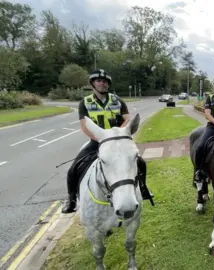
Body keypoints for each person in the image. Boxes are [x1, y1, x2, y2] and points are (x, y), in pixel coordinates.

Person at [61, 69, 154, 214]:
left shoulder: (118, 101)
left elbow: (127, 120)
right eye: (98, 81)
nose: (102, 83)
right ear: (93, 83)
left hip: (118, 142)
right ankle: (71, 199)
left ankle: (143, 189)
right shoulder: (85, 103)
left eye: (104, 81)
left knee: (140, 162)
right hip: (97, 142)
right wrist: (101, 138)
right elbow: (84, 126)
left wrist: (118, 134)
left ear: (108, 84)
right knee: (74, 168)